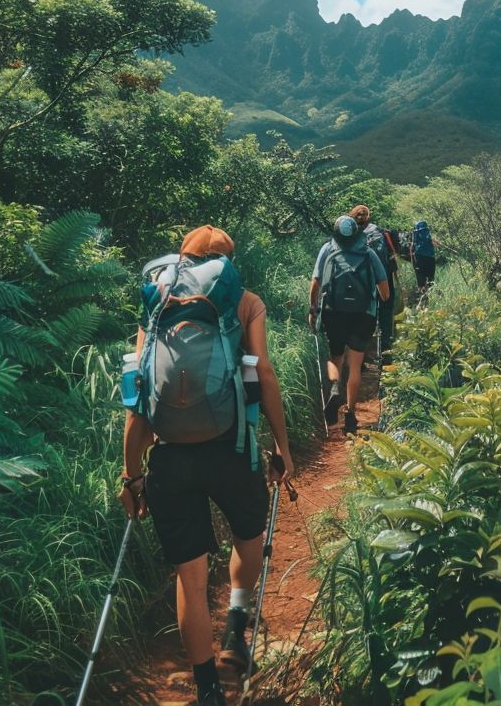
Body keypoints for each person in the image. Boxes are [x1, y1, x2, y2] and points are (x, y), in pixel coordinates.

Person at [118, 226, 295, 706]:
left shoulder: (155, 302)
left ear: (181, 258)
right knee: (249, 538)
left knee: (190, 578)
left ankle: (207, 689)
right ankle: (236, 632)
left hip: (169, 458)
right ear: (228, 265)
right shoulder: (245, 300)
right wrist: (282, 448)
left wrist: (131, 476)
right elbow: (265, 375)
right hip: (231, 448)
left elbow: (137, 401)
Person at [309, 215, 390, 435]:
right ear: (357, 233)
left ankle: (335, 389)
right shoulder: (369, 252)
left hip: (333, 313)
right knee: (355, 365)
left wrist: (313, 310)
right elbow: (385, 292)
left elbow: (316, 282)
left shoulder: (327, 249)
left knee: (336, 357)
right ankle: (351, 415)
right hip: (363, 315)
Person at [349, 204, 400, 363]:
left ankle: (363, 357)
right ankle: (386, 355)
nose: (361, 217)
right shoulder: (380, 231)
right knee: (385, 316)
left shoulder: (349, 235)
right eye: (361, 215)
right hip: (384, 278)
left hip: (363, 283)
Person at [409, 219, 437, 304]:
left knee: (421, 279)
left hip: (419, 257)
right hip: (430, 258)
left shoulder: (415, 233)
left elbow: (412, 247)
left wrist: (412, 260)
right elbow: (435, 244)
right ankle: (430, 298)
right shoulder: (428, 232)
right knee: (430, 279)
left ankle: (422, 299)